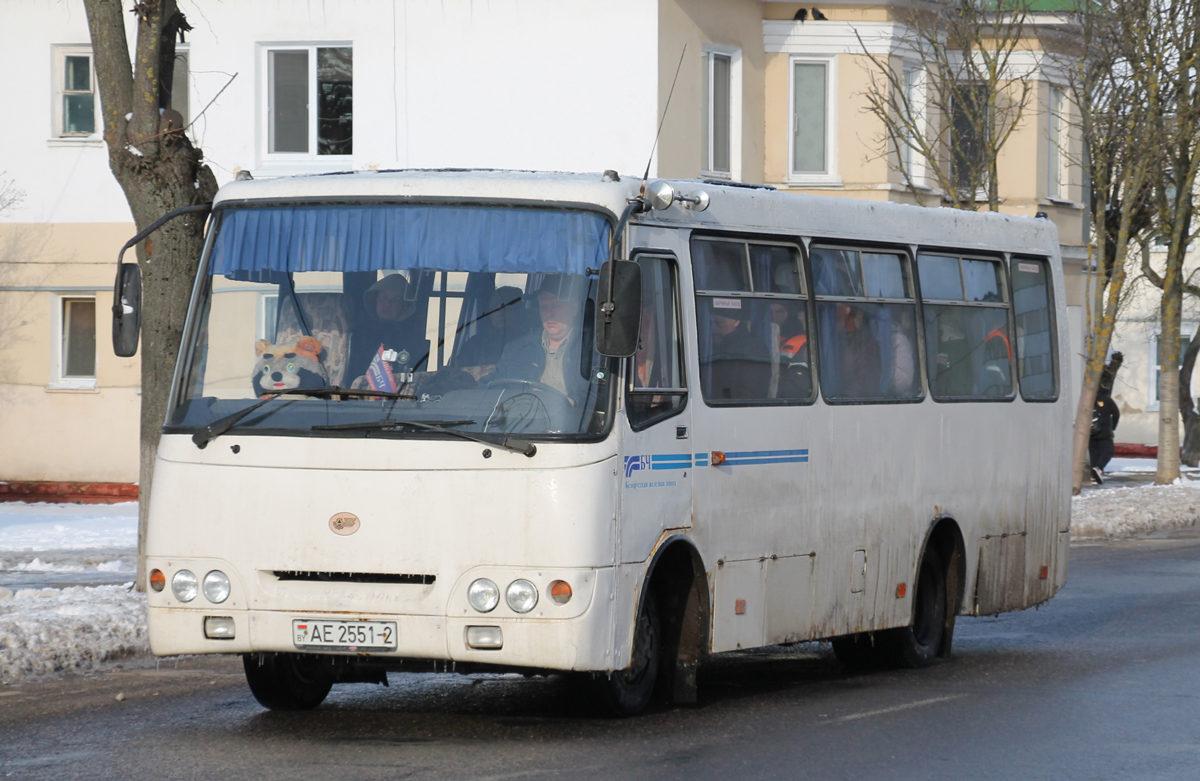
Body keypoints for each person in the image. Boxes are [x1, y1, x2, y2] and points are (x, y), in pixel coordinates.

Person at [493, 276, 589, 406]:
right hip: (520, 420)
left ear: (574, 308)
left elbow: (604, 394)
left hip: (572, 423)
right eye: (544, 307)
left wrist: (573, 402)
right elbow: (493, 387)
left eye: (556, 306)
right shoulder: (516, 349)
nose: (549, 314)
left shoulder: (593, 350)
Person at [349, 274, 427, 380]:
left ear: (403, 306)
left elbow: (410, 378)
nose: (388, 304)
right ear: (375, 299)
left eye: (396, 299)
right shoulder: (357, 335)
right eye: (384, 297)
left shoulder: (411, 339)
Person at [703, 300, 771, 400]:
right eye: (710, 323)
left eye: (718, 323)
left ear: (736, 321)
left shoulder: (753, 348)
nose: (713, 329)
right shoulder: (709, 346)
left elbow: (748, 392)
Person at [453, 286, 525, 368]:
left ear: (518, 312)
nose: (500, 313)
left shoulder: (531, 344)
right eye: (495, 308)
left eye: (507, 308)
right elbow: (459, 376)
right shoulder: (474, 345)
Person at [1089, 351, 1124, 484]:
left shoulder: (1088, 399)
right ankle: (1098, 469)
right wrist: (1112, 427)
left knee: (1094, 453)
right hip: (1104, 432)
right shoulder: (1107, 399)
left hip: (1090, 431)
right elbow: (1116, 414)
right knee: (1108, 452)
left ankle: (1094, 476)